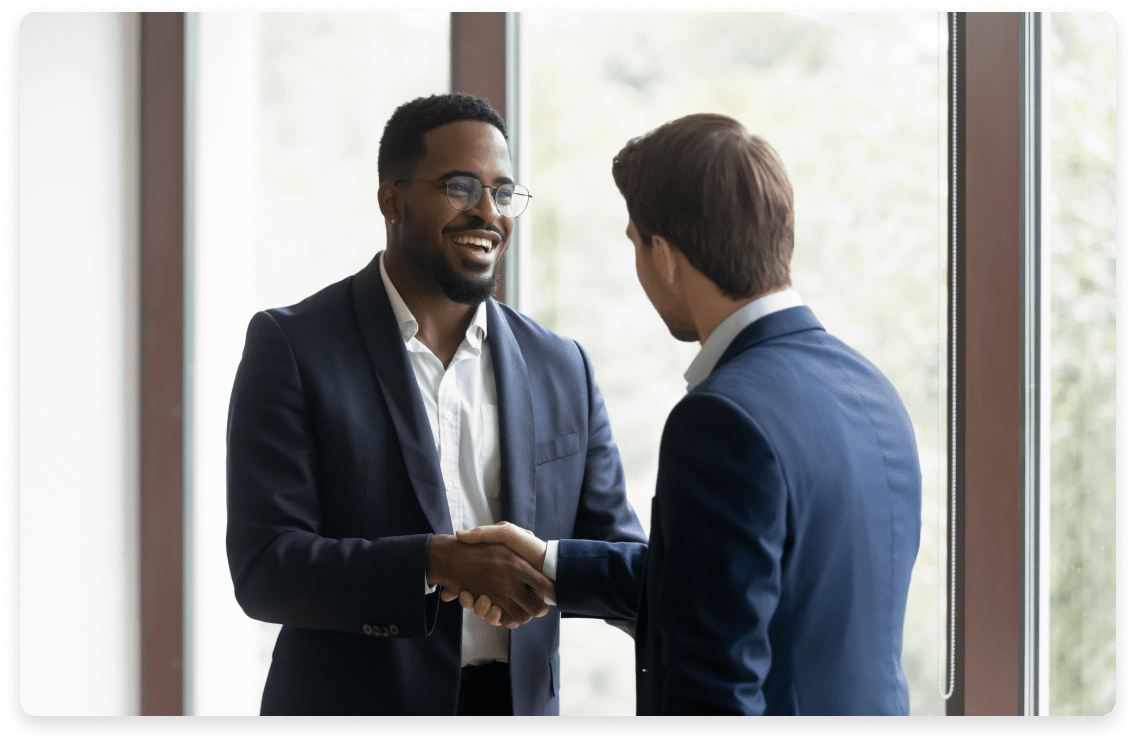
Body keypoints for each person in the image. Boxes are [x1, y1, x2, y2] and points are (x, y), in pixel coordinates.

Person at [458, 113, 922, 715]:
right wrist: (551, 563)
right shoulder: (872, 388)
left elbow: (714, 691)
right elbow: (741, 586)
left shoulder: (721, 419)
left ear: (666, 254)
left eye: (635, 244)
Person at [225, 92, 646, 716]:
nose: (487, 213)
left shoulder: (564, 367)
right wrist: (434, 563)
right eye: (459, 186)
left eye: (503, 193)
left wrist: (551, 566)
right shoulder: (291, 347)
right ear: (392, 201)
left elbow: (627, 565)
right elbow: (267, 568)